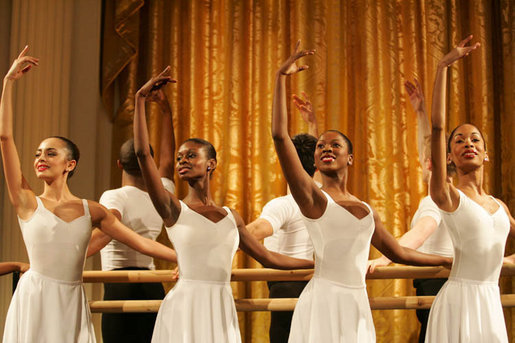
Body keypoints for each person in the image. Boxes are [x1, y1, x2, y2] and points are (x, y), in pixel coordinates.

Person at [271, 40, 452, 342]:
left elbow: (400, 252)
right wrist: (280, 78)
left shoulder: (367, 211)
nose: (326, 148)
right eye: (320, 146)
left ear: (349, 158)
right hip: (321, 301)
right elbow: (279, 137)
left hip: (356, 304)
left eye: (335, 145)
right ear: (314, 160)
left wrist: (446, 261)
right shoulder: (312, 198)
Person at [0, 47, 177, 343]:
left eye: (51, 152)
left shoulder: (92, 210)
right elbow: (5, 137)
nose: (41, 158)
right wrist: (8, 82)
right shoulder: (27, 201)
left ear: (70, 164)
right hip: (35, 296)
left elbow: (139, 242)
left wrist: (183, 257)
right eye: (37, 153)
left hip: (71, 298)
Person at [133, 67, 314, 343]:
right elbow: (143, 154)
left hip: (220, 305)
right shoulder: (173, 209)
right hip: (185, 306)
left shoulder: (232, 217)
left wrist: (319, 263)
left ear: (211, 164)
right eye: (180, 157)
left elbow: (270, 258)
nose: (182, 160)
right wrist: (140, 100)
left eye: (191, 155)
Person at [425, 35, 514, 343]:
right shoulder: (449, 195)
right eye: (459, 141)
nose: (468, 144)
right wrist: (443, 67)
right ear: (449, 156)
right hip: (459, 302)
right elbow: (437, 128)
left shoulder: (499, 207)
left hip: (490, 301)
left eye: (475, 139)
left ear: (486, 153)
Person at [86, 85, 176, 342]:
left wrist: (72, 254)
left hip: (120, 282)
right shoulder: (163, 192)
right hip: (152, 282)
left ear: (118, 164)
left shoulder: (114, 196)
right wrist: (165, 111)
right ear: (150, 161)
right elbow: (168, 162)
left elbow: (107, 229)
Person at [367, 80, 453, 342]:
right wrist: (420, 112)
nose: (424, 160)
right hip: (438, 278)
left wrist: (385, 258)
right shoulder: (448, 194)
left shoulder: (438, 199)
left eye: (429, 159)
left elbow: (421, 232)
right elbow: (427, 147)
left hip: (438, 280)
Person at [248, 92, 318, 343]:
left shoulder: (285, 205)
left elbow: (256, 230)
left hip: (288, 286)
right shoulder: (322, 200)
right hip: (313, 284)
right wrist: (312, 126)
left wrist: (208, 250)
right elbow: (313, 168)